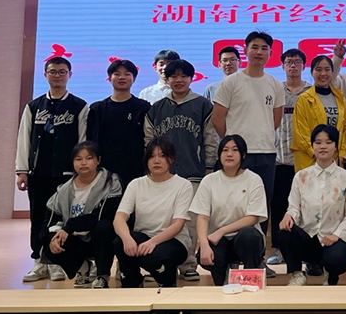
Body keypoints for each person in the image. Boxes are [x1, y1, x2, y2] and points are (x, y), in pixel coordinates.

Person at [144, 58, 217, 281]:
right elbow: (148, 141)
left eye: (183, 76)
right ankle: (160, 262)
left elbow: (210, 139)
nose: (179, 80)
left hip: (193, 171)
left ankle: (188, 264)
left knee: (190, 221)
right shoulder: (157, 108)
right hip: (163, 176)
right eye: (174, 76)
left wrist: (209, 166)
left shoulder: (203, 105)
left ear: (191, 78)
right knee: (164, 220)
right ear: (166, 79)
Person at [17, 56, 88, 283]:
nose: (58, 75)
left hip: (66, 175)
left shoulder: (79, 106)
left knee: (60, 218)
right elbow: (24, 140)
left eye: (62, 71)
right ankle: (39, 261)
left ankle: (55, 261)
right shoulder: (34, 106)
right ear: (45, 75)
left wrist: (82, 171)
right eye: (53, 71)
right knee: (38, 217)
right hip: (38, 173)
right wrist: (22, 170)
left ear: (70, 75)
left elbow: (83, 141)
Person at [212, 32, 285, 242]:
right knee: (232, 203)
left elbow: (275, 121)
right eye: (254, 47)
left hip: (266, 153)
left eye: (264, 48)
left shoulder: (275, 84)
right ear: (245, 51)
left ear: (270, 53)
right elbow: (217, 118)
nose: (259, 52)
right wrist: (232, 146)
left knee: (261, 205)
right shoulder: (231, 82)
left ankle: (257, 252)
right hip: (238, 155)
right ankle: (228, 249)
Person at [278, 125, 346, 286]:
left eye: (328, 142)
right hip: (308, 237)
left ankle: (331, 275)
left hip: (333, 238)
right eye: (318, 142)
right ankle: (297, 274)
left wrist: (337, 235)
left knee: (337, 259)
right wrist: (289, 216)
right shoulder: (301, 176)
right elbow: (294, 206)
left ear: (335, 146)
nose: (323, 146)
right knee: (284, 234)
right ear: (312, 146)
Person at [113, 137, 194, 288]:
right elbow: (119, 218)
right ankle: (132, 284)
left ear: (171, 159)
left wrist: (153, 242)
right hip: (144, 235)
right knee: (119, 243)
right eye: (152, 156)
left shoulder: (183, 185)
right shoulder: (136, 184)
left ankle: (168, 286)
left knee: (155, 256)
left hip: (174, 240)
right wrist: (127, 239)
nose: (156, 161)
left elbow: (178, 224)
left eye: (162, 156)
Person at [41, 141, 122, 289]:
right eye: (78, 159)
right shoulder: (63, 190)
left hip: (100, 238)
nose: (83, 163)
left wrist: (70, 226)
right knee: (49, 238)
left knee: (104, 226)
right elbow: (51, 218)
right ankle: (84, 269)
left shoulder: (111, 182)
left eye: (89, 158)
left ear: (98, 160)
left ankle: (102, 276)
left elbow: (104, 214)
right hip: (75, 239)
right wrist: (53, 236)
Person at [191, 135, 267, 286]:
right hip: (219, 240)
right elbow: (202, 216)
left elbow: (252, 217)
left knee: (249, 235)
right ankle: (222, 283)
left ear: (243, 155)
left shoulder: (253, 179)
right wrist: (203, 245)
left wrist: (222, 230)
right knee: (213, 250)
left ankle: (251, 281)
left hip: (245, 238)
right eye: (225, 150)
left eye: (235, 150)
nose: (229, 154)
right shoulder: (209, 181)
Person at [268, 48, 312, 267]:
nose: (293, 65)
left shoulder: (311, 91)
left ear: (304, 65)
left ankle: (307, 249)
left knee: (305, 205)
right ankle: (279, 248)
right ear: (283, 65)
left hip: (304, 159)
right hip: (278, 157)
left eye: (297, 62)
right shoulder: (275, 90)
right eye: (289, 62)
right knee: (278, 204)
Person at [86, 59, 151, 190]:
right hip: (104, 171)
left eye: (127, 74)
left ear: (134, 78)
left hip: (135, 170)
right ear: (109, 78)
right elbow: (90, 141)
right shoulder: (97, 109)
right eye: (117, 74)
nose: (122, 77)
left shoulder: (143, 108)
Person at [291, 55, 346, 171]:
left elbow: (345, 129)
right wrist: (317, 154)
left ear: (332, 72)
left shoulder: (340, 99)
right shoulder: (304, 99)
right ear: (311, 72)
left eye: (327, 70)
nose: (323, 73)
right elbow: (300, 132)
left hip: (334, 160)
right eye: (318, 69)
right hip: (309, 159)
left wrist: (342, 153)